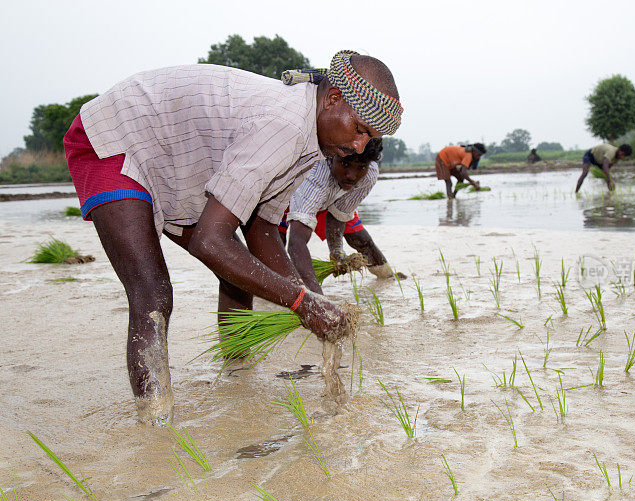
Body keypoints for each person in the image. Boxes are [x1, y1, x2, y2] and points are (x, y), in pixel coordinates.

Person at [63, 50, 403, 425]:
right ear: (334, 97)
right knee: (152, 291)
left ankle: (236, 377)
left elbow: (261, 229)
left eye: (370, 137)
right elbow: (208, 242)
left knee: (236, 270)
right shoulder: (285, 125)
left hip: (179, 168)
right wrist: (302, 302)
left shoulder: (313, 142)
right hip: (119, 136)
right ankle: (154, 428)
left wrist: (312, 305)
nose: (359, 146)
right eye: (359, 129)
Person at [280, 138, 395, 294]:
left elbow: (339, 216)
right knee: (275, 243)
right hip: (288, 198)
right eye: (345, 164)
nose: (352, 176)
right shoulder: (317, 178)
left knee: (362, 240)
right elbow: (296, 242)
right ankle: (281, 285)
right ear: (332, 157)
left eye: (361, 167)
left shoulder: (368, 174)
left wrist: (337, 252)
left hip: (331, 199)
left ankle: (388, 278)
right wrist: (318, 300)